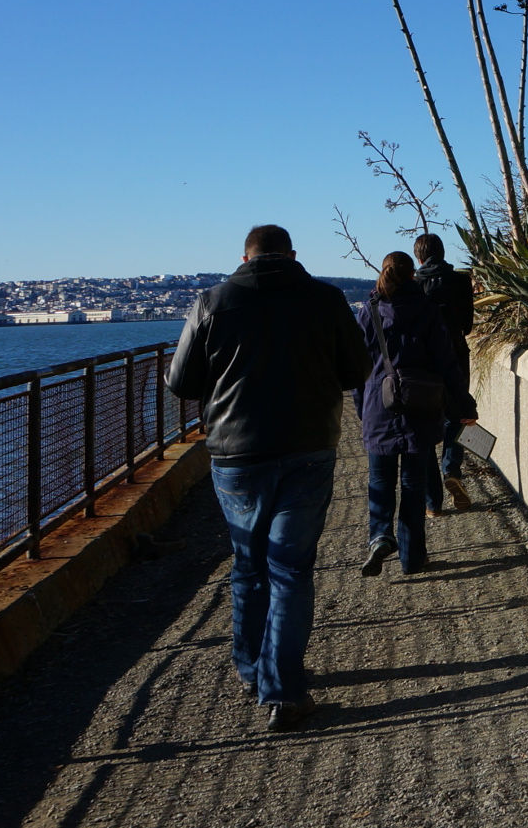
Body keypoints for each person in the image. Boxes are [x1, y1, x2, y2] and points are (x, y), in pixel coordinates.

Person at [168, 224, 369, 733]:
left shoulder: (211, 302)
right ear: (292, 255)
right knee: (292, 569)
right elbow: (356, 371)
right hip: (308, 447)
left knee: (249, 564)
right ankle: (283, 691)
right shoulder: (327, 299)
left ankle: (252, 670)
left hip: (236, 454)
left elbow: (181, 382)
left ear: (245, 257)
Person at [354, 251, 474, 576]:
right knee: (413, 485)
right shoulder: (428, 310)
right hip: (420, 406)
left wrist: (362, 408)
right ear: (412, 275)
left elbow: (357, 369)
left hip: (378, 406)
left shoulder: (367, 312)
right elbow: (447, 363)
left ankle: (380, 535)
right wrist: (464, 404)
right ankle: (412, 558)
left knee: (380, 481)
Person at [412, 233, 477, 514]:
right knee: (458, 416)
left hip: (423, 363)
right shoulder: (461, 280)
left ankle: (432, 503)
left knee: (425, 427)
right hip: (456, 355)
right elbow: (468, 325)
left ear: (418, 257)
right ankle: (451, 469)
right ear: (442, 252)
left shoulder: (413, 284)